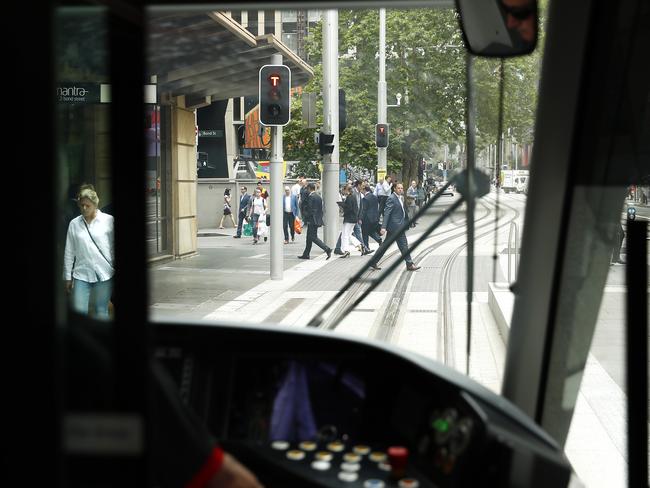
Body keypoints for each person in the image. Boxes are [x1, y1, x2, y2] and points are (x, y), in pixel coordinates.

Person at [63, 186, 115, 319]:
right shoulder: (74, 224)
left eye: (88, 205)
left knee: (101, 310)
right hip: (81, 274)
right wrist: (68, 277)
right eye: (82, 206)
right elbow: (69, 252)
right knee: (79, 313)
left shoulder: (108, 221)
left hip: (104, 274)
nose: (84, 208)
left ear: (95, 204)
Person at [368, 182, 421, 272]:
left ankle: (373, 261)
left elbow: (403, 212)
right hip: (396, 227)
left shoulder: (400, 198)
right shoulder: (391, 198)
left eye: (401, 188)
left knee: (386, 245)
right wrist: (383, 227)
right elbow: (387, 213)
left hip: (397, 226)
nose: (400, 190)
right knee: (404, 245)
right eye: (398, 188)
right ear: (394, 189)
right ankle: (409, 264)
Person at [298, 183, 332, 260]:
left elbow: (310, 210)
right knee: (309, 238)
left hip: (312, 220)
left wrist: (305, 215)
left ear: (310, 188)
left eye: (307, 189)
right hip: (317, 220)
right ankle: (306, 254)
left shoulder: (311, 197)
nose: (306, 190)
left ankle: (327, 249)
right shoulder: (318, 197)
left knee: (313, 237)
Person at [338, 184, 360, 258]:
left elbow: (349, 208)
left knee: (345, 235)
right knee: (349, 234)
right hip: (353, 219)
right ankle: (359, 245)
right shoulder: (353, 196)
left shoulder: (349, 197)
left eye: (344, 190)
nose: (343, 192)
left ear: (346, 190)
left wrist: (342, 205)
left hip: (349, 219)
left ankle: (346, 251)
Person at [360, 184, 382, 254]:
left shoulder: (365, 198)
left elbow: (364, 210)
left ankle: (367, 248)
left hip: (367, 219)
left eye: (362, 190)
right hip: (375, 218)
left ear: (364, 190)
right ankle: (379, 239)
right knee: (371, 231)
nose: (361, 192)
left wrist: (360, 218)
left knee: (365, 233)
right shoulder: (374, 197)